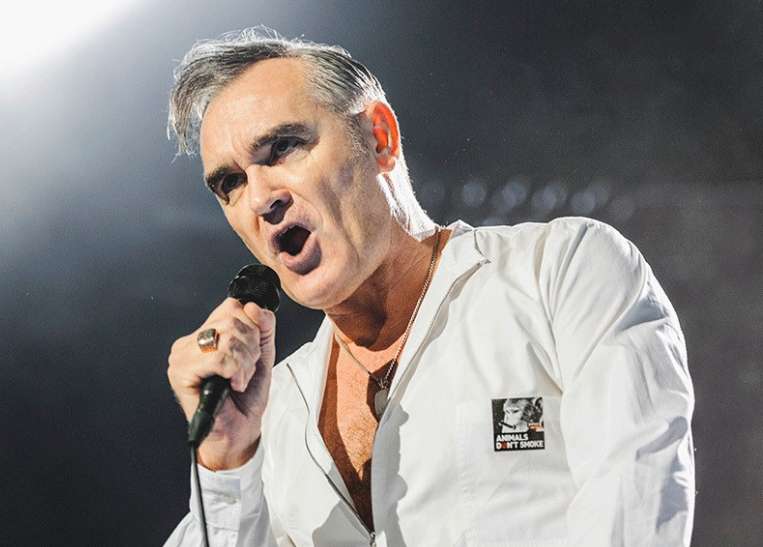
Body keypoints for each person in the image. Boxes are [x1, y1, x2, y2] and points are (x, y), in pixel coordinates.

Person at [164, 28, 695, 547]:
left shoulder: (560, 272)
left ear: (379, 138)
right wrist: (225, 460)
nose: (260, 199)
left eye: (283, 147)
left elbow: (636, 503)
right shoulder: (268, 411)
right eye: (231, 183)